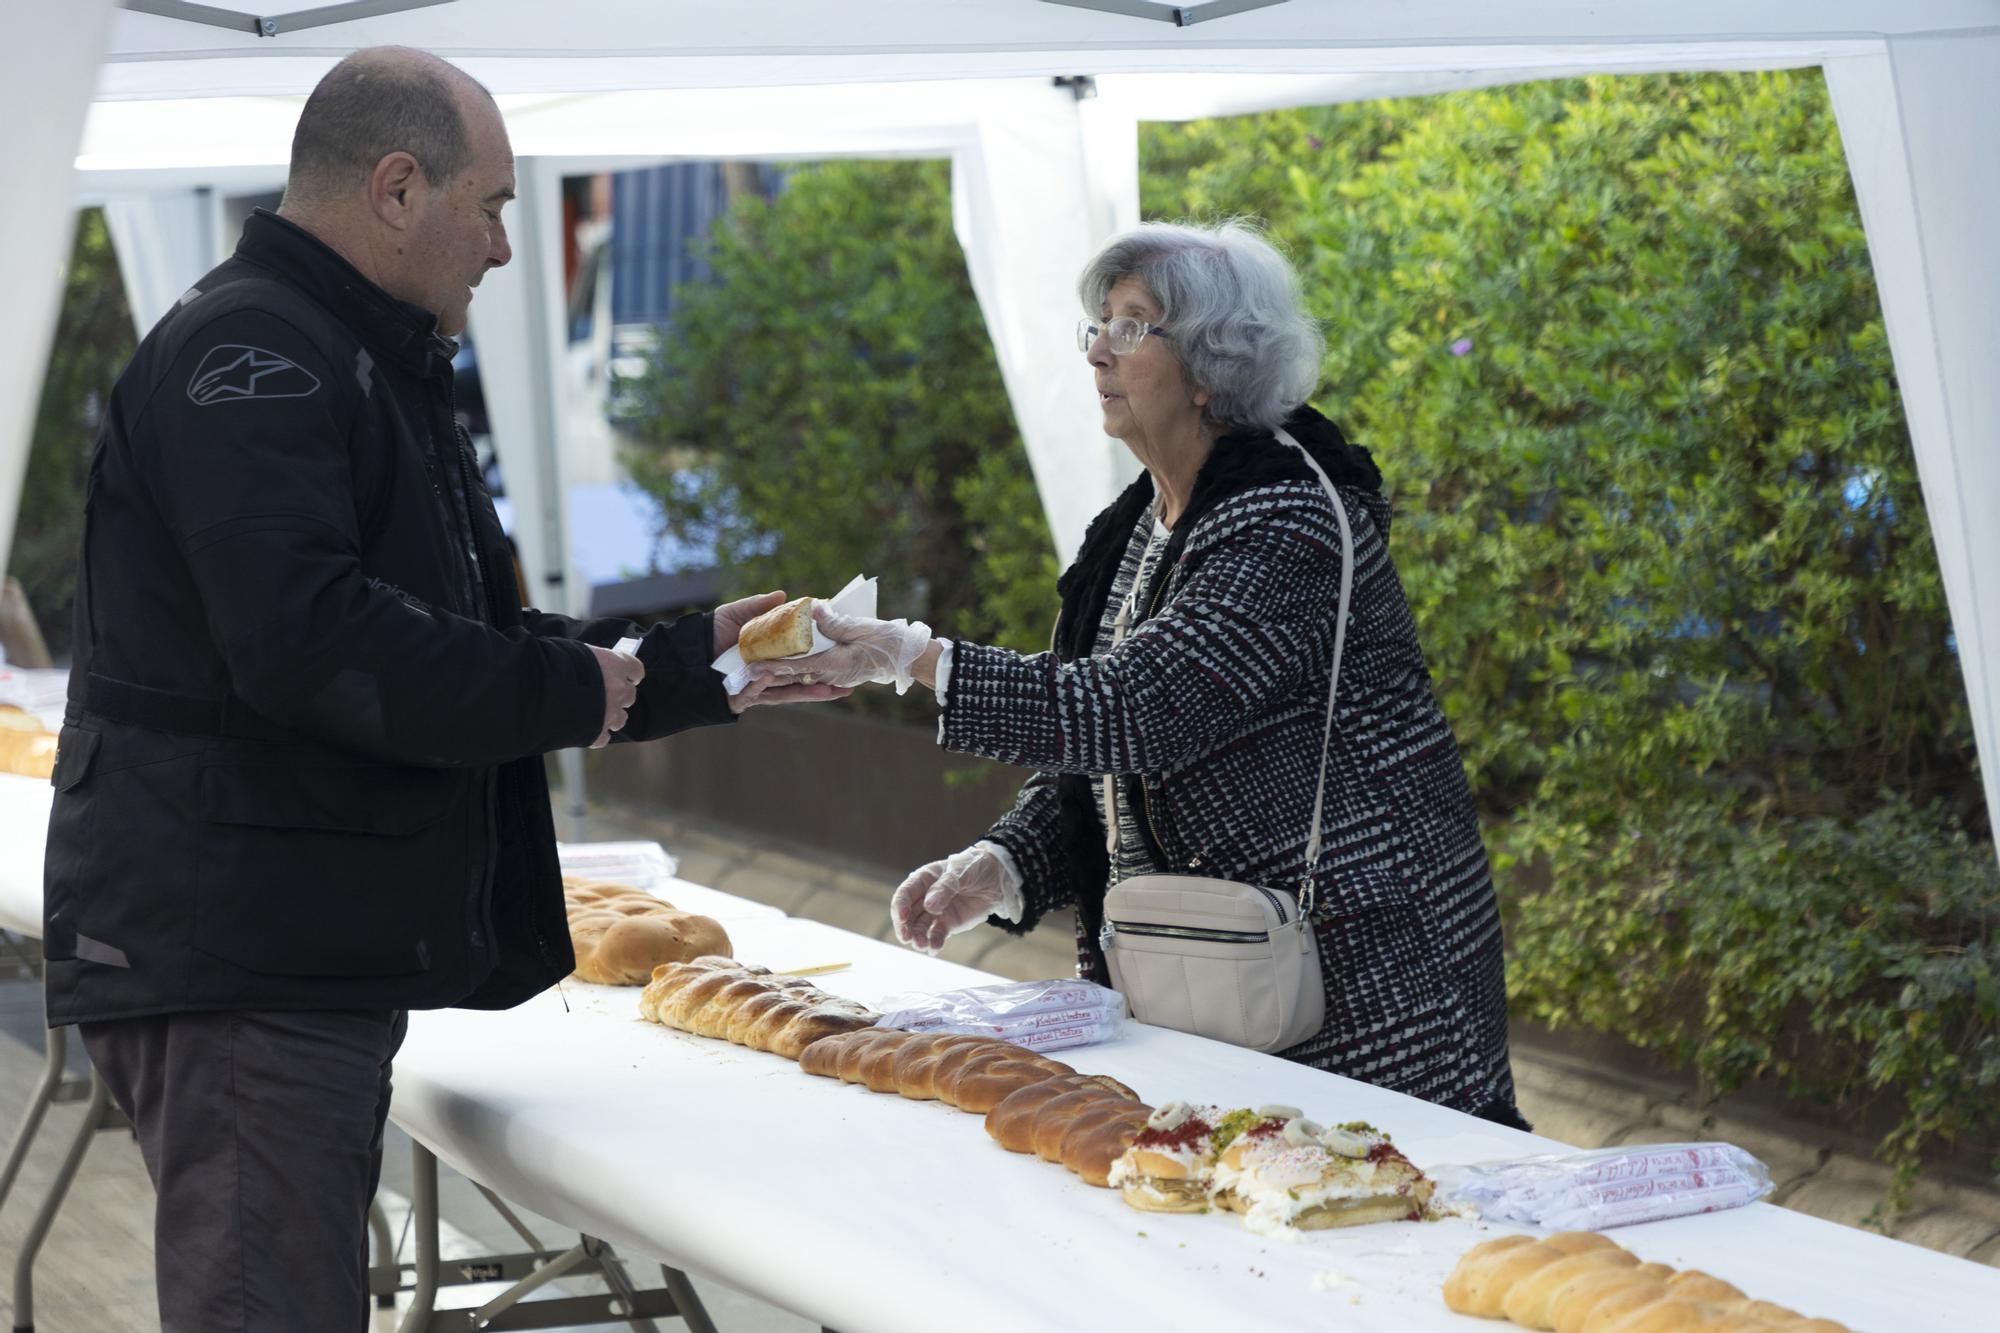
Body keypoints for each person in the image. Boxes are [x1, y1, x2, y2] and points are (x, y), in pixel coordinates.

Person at [41, 46, 841, 1331]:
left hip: (281, 946)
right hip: (245, 954)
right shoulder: (259, 356)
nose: (506, 248)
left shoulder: (348, 353)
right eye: (496, 206)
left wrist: (695, 664)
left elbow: (462, 631)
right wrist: (599, 685)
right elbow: (315, 645)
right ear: (399, 188)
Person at [751, 221, 1526, 1127]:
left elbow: (1139, 708)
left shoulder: (1290, 518)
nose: (1096, 355)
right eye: (1097, 326)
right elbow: (1112, 760)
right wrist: (1005, 863)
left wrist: (913, 655)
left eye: (1130, 326)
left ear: (1211, 365)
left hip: (1368, 977)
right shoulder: (1141, 523)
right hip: (1218, 973)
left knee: (1391, 1213)